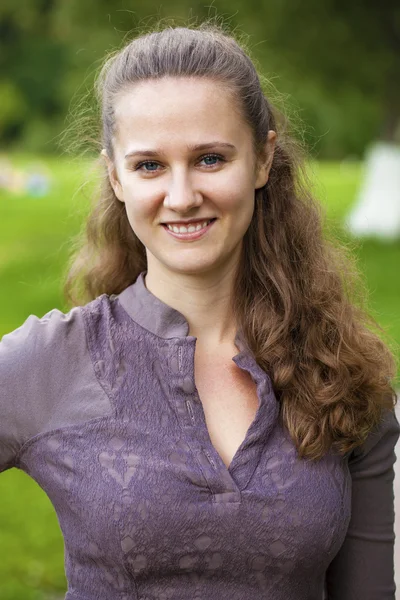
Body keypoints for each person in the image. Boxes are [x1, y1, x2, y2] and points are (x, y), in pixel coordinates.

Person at [1, 21, 399, 600]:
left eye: (210, 159)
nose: (182, 195)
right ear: (115, 176)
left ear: (262, 160)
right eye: (149, 166)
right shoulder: (56, 362)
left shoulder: (341, 372)